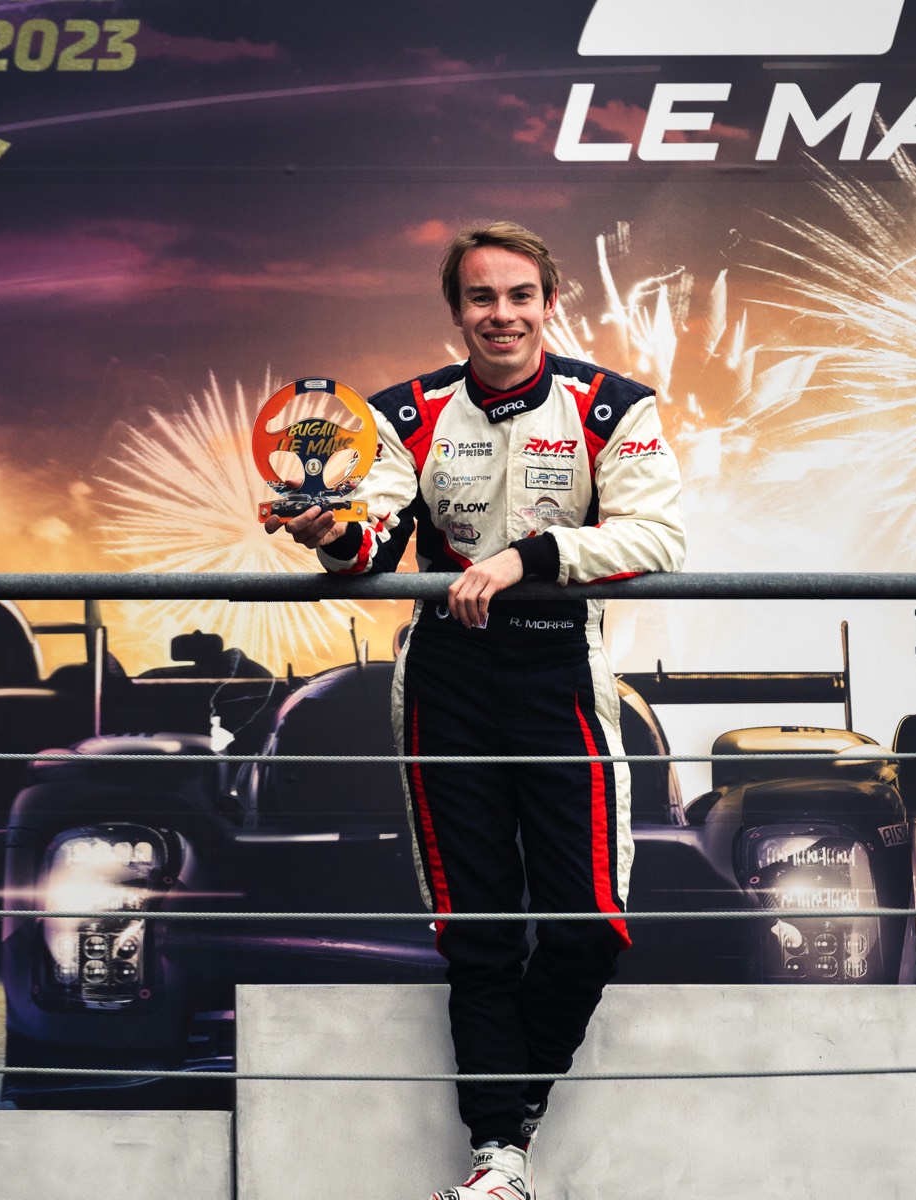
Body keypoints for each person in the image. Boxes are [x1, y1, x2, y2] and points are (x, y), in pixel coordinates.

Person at [266, 221, 685, 1200]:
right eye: (481, 297)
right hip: (445, 683)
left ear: (550, 302)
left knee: (590, 926)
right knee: (479, 931)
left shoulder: (611, 406)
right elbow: (370, 541)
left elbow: (658, 537)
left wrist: (522, 560)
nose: (502, 315)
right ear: (456, 310)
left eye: (519, 296)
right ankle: (499, 1158)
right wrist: (328, 533)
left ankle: (511, 1114)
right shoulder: (404, 413)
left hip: (560, 674)